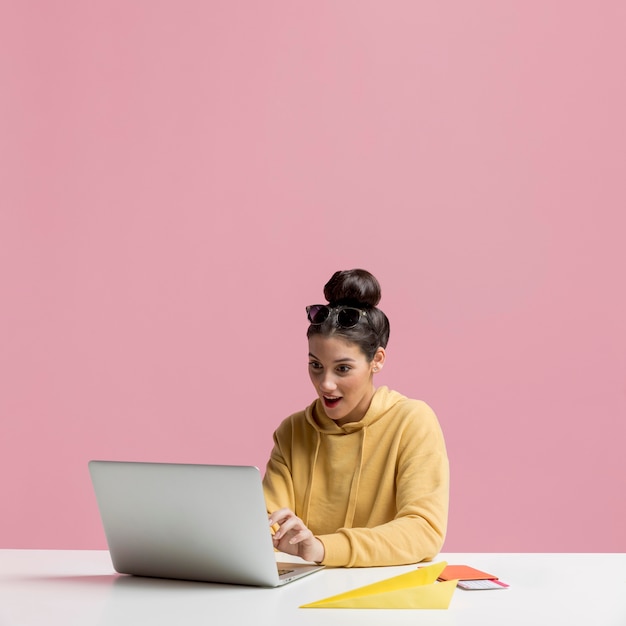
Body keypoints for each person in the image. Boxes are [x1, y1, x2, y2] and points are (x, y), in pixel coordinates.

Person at [263, 269, 449, 568]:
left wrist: (323, 548)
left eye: (343, 369)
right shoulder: (293, 430)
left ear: (377, 360)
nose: (325, 384)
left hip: (378, 595)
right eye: (315, 365)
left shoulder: (412, 421)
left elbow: (424, 531)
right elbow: (266, 521)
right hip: (299, 593)